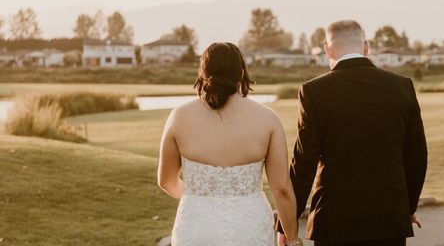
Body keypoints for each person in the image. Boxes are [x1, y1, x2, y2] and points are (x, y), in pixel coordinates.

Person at [277, 20, 428, 246]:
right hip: (389, 220)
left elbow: (303, 163)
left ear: (328, 50)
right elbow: (417, 156)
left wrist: (287, 225)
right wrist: (408, 208)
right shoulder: (401, 86)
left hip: (334, 221)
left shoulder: (313, 92)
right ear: (366, 46)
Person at [158, 42, 302, 246]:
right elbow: (281, 189)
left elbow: (166, 181)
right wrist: (293, 237)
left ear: (203, 72)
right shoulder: (267, 118)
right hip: (249, 227)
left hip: (196, 226)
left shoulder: (179, 116)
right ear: (241, 72)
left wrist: (199, 197)